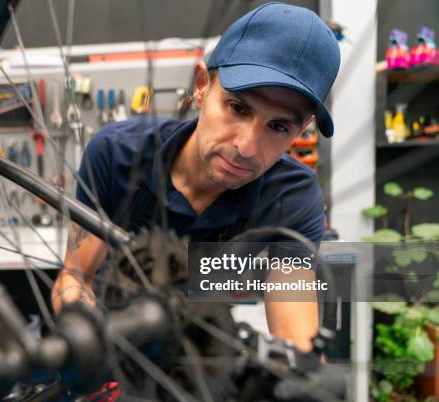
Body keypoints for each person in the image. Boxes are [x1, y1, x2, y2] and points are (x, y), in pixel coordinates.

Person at [52, 2, 340, 352]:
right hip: (112, 350)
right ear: (202, 86)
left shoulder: (293, 198)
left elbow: (296, 339)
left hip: (200, 361)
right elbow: (75, 276)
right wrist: (86, 334)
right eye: (238, 108)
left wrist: (304, 381)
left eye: (278, 126)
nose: (247, 147)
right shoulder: (114, 155)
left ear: (301, 129)